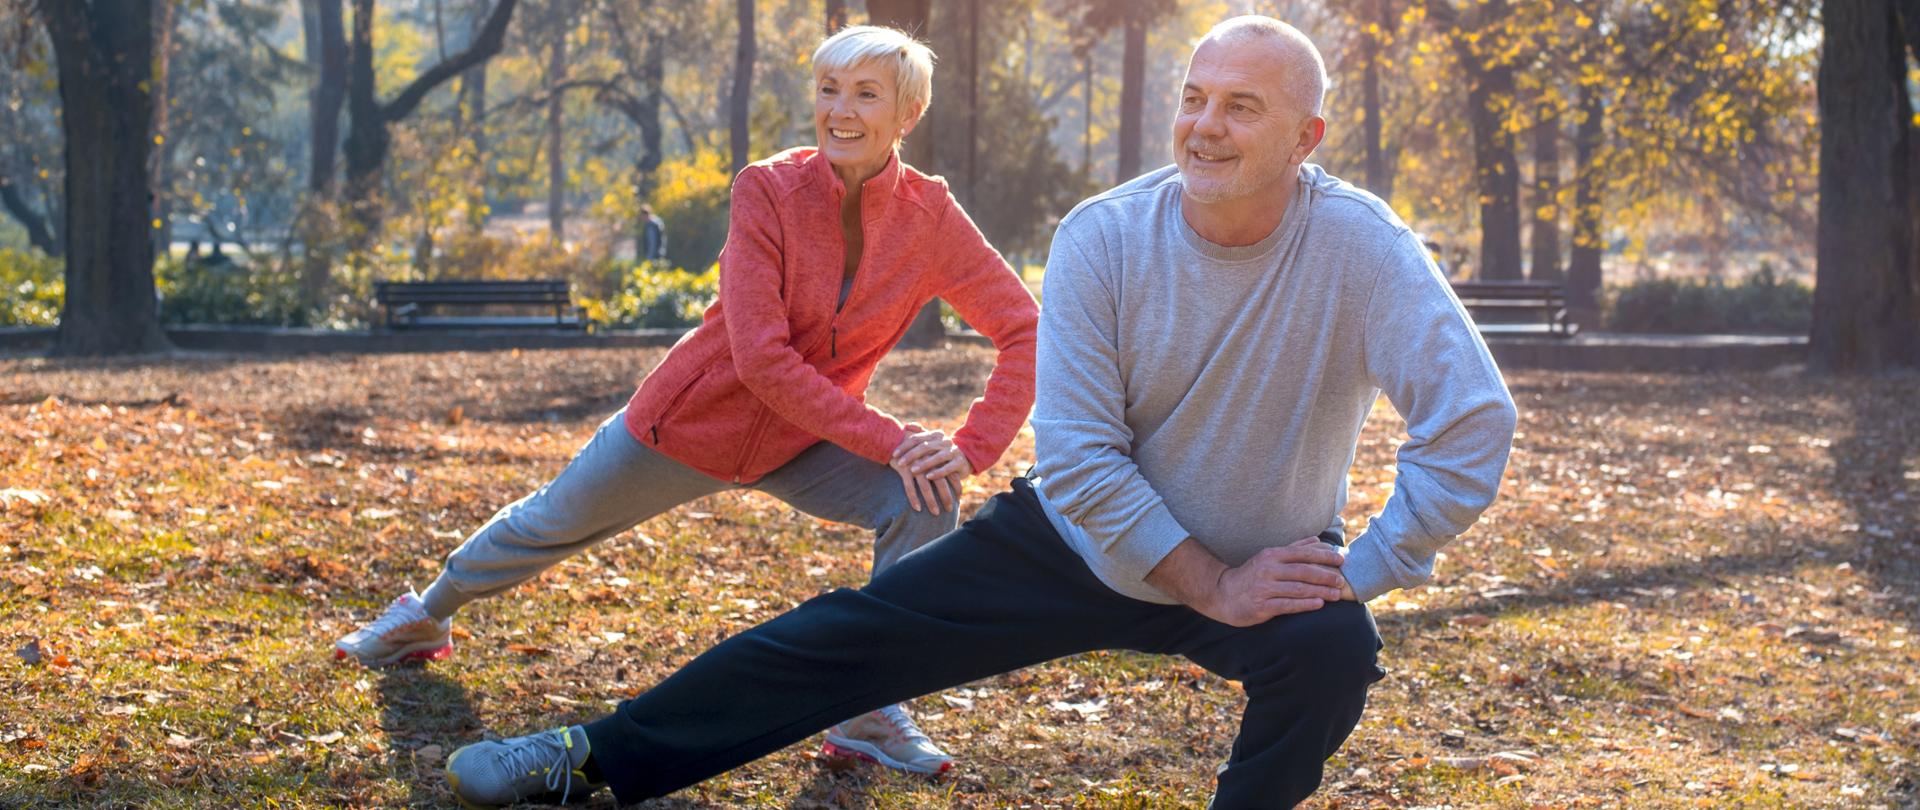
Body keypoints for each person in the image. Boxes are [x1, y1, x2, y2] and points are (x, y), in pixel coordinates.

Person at [438, 16, 1516, 809]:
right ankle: (591, 757)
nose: (1205, 124)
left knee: (1331, 656)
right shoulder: (1106, 237)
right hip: (1079, 541)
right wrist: (1209, 583)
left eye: (1243, 106)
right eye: (1194, 96)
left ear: (1307, 135)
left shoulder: (1362, 247)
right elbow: (1086, 460)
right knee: (842, 640)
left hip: (1265, 559)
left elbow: (1470, 421)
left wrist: (1356, 570)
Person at [336, 23, 1038, 780]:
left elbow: (1026, 329)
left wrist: (967, 447)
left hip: (804, 442)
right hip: (689, 425)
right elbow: (762, 360)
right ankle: (427, 612)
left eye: (866, 94)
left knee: (925, 492)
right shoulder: (767, 189)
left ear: (907, 115)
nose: (839, 109)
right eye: (828, 89)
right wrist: (891, 436)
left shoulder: (930, 217)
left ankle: (867, 706)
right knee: (549, 521)